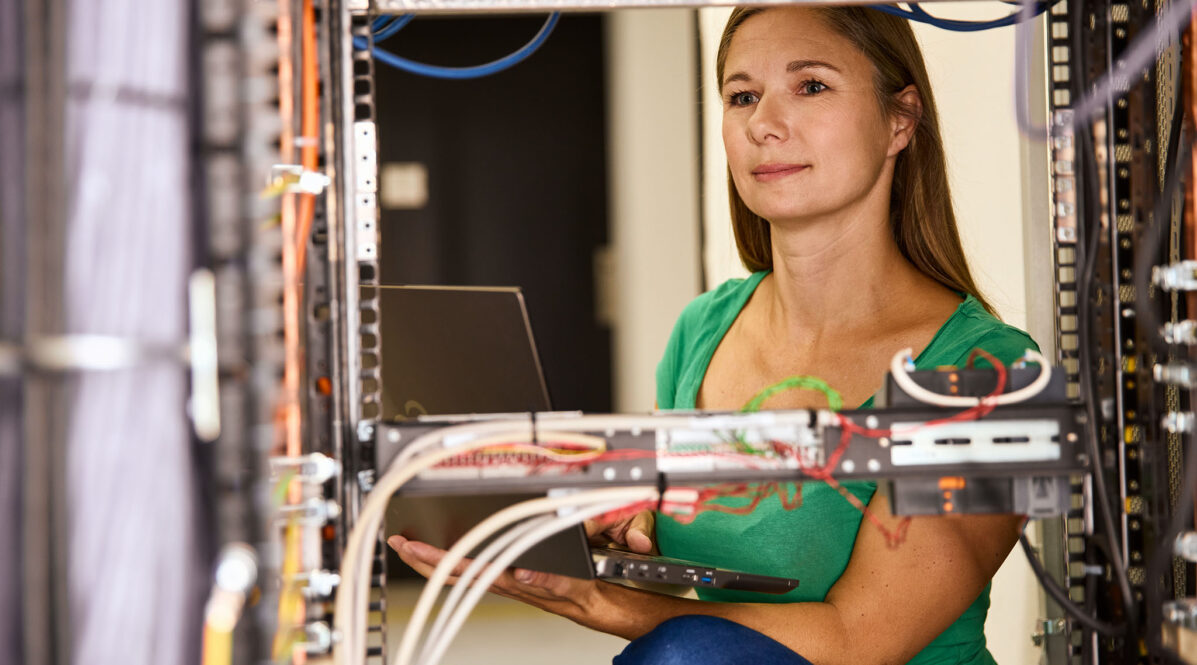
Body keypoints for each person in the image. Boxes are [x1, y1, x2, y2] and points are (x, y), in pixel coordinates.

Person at [389, 6, 1037, 664]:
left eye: (810, 86)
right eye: (742, 96)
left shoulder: (990, 374)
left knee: (682, 649)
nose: (763, 124)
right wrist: (624, 531)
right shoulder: (704, 327)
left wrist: (603, 602)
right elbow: (663, 535)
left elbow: (860, 639)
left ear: (899, 119)